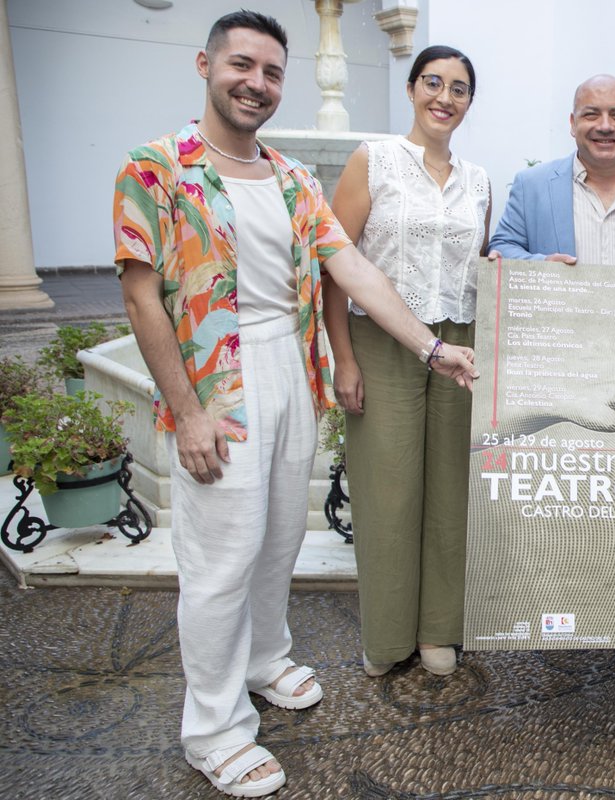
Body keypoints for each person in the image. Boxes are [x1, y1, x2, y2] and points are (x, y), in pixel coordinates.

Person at [113, 12, 477, 796]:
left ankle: (263, 658)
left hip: (289, 369)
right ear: (206, 63)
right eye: (242, 65)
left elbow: (355, 272)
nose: (257, 83)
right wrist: (188, 411)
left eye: (273, 72)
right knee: (219, 562)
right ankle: (212, 728)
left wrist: (433, 348)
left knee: (278, 537)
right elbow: (143, 299)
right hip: (217, 381)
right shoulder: (154, 169)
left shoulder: (289, 177)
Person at [323, 45, 490, 680]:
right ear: (412, 89)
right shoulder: (375, 160)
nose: (445, 98)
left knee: (451, 490)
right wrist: (343, 357)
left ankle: (439, 629)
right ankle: (389, 634)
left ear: (470, 102)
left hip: (458, 339)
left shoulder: (479, 181)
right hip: (380, 341)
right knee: (388, 489)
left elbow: (479, 268)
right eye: (433, 83)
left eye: (459, 89)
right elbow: (335, 270)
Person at [489, 74, 615, 269]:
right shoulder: (531, 185)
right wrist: (543, 264)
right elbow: (502, 247)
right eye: (591, 115)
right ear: (573, 123)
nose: (605, 126)